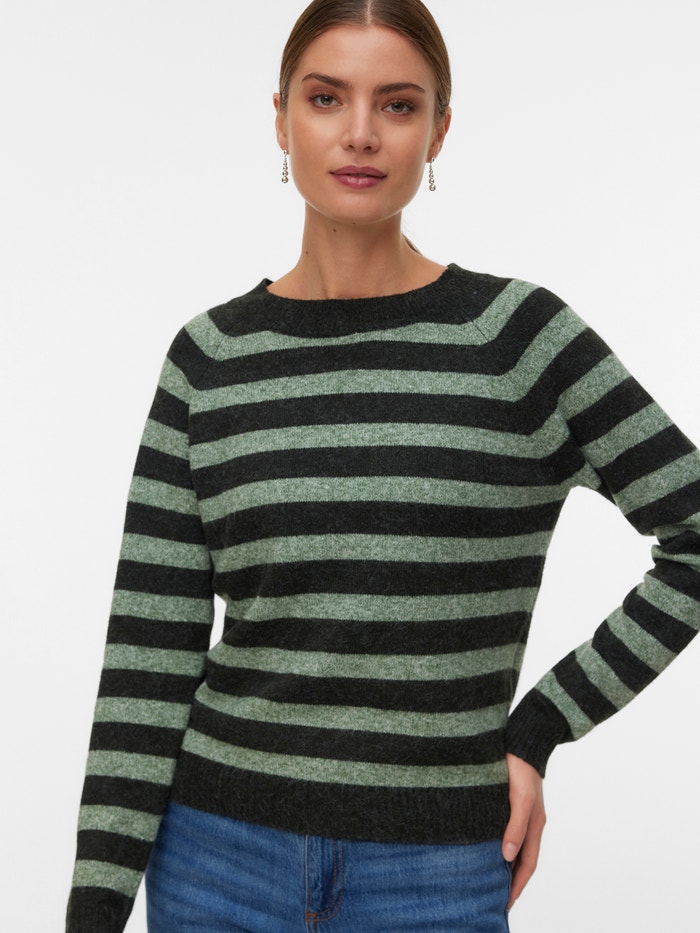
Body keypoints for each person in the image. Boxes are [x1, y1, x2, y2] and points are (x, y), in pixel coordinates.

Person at [66, 1, 700, 931]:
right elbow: (146, 658)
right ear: (281, 117)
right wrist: (93, 909)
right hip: (213, 861)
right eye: (327, 98)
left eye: (398, 105)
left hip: (436, 869)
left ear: (438, 130)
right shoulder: (210, 357)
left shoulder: (517, 339)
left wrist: (541, 726)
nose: (360, 132)